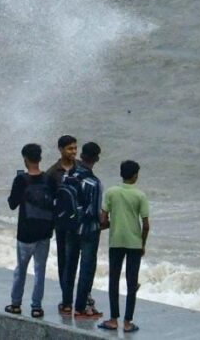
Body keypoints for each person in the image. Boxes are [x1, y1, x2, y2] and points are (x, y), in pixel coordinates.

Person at [98, 160, 150, 334]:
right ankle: (127, 322)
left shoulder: (111, 192)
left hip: (116, 242)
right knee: (131, 282)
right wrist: (142, 244)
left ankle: (113, 319)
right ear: (135, 175)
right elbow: (146, 225)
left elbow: (103, 220)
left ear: (121, 173)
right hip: (134, 243)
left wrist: (114, 223)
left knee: (114, 280)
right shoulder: (140, 195)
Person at [5, 143, 54, 318]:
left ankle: (16, 304)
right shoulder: (49, 179)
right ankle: (36, 307)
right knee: (40, 271)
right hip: (44, 232)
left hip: (26, 233)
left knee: (21, 270)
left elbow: (12, 204)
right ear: (40, 159)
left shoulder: (21, 180)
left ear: (25, 159)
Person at [56, 141, 104, 319]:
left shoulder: (68, 175)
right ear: (96, 159)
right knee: (87, 267)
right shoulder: (95, 183)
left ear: (82, 156)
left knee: (69, 265)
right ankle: (81, 307)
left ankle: (66, 304)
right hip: (88, 230)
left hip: (69, 226)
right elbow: (95, 212)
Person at [46, 134, 78, 314]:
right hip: (61, 224)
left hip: (78, 224)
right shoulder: (52, 173)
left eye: (75, 148)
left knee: (76, 260)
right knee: (63, 260)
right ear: (60, 149)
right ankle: (66, 297)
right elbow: (49, 201)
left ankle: (77, 296)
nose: (73, 152)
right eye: (70, 148)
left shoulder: (81, 168)